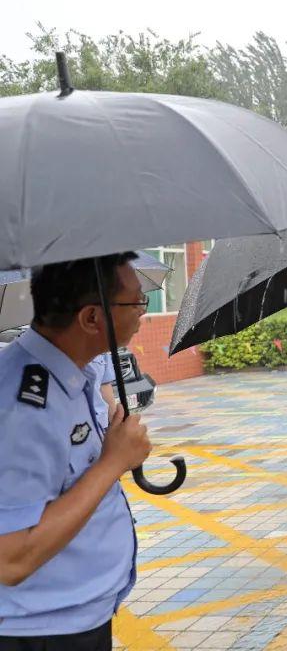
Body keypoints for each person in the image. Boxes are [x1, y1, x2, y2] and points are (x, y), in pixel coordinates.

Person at [0, 253, 152, 650]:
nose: (141, 313)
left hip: (75, 617)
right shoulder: (22, 406)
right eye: (135, 302)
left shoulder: (73, 375)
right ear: (91, 318)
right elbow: (10, 559)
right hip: (41, 633)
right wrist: (113, 462)